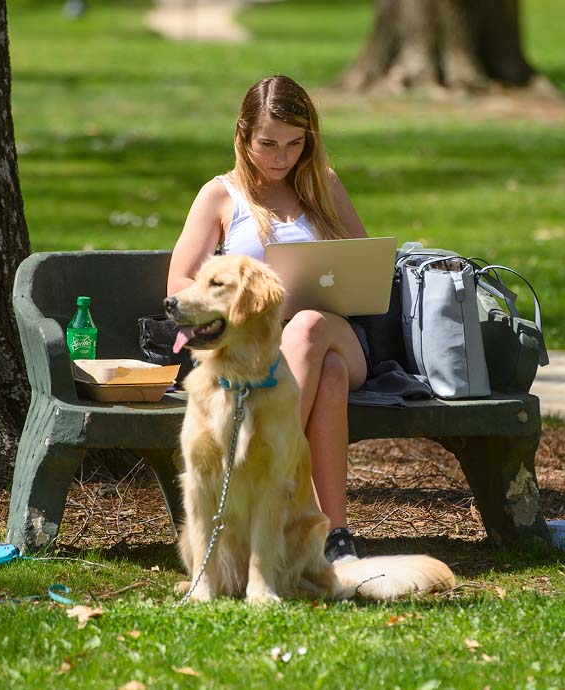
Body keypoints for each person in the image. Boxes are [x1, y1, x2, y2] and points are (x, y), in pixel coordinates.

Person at [167, 75, 370, 563]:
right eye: (269, 143)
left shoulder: (325, 186)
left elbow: (367, 268)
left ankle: (269, 496)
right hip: (259, 355)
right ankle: (332, 533)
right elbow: (179, 284)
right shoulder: (222, 196)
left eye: (295, 144)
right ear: (242, 135)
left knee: (306, 328)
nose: (282, 157)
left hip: (336, 333)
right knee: (331, 378)